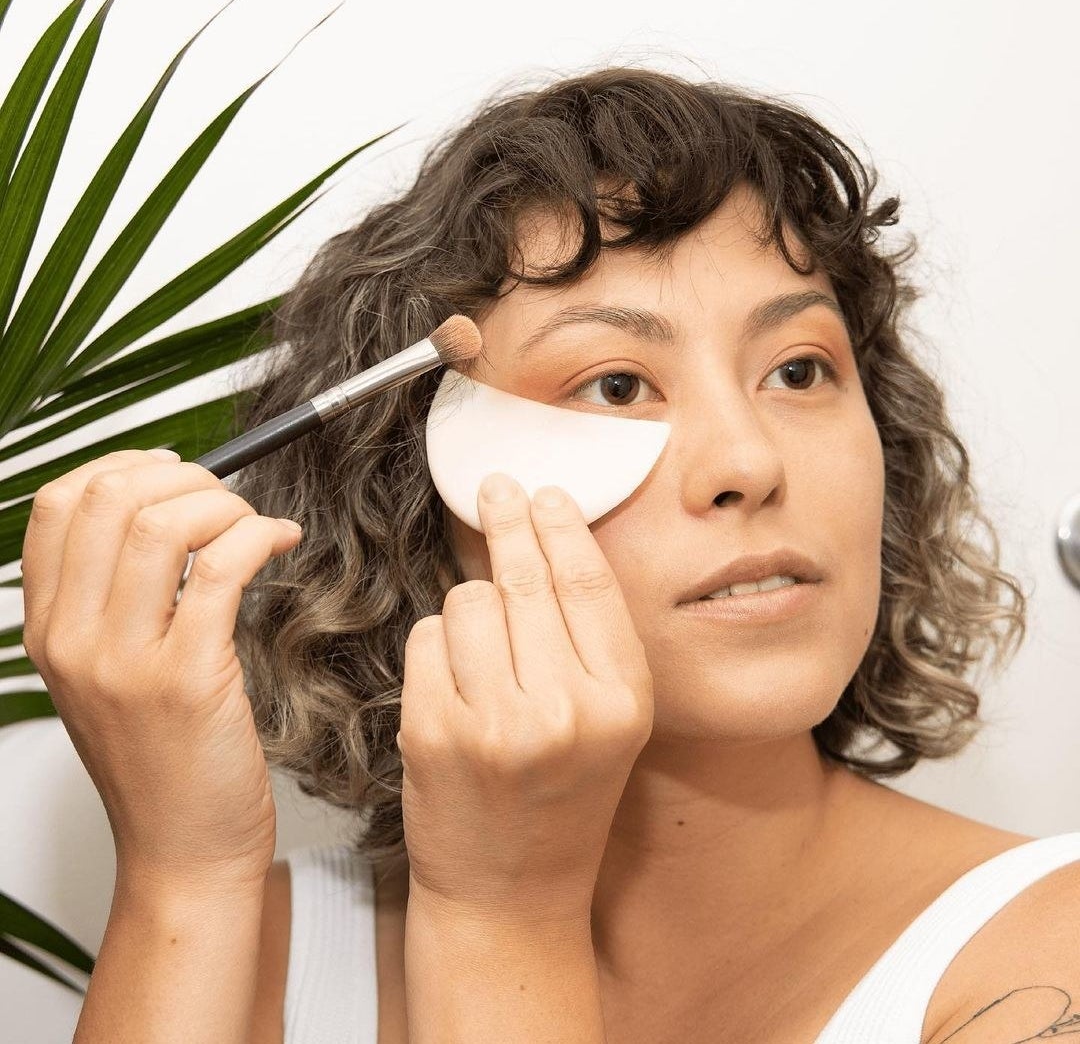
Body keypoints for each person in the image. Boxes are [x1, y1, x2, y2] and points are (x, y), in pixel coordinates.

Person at [21, 66, 1080, 1044]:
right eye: (615, 385)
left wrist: (501, 920)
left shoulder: (1040, 965)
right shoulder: (248, 952)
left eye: (799, 370)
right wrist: (181, 874)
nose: (748, 462)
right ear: (410, 503)